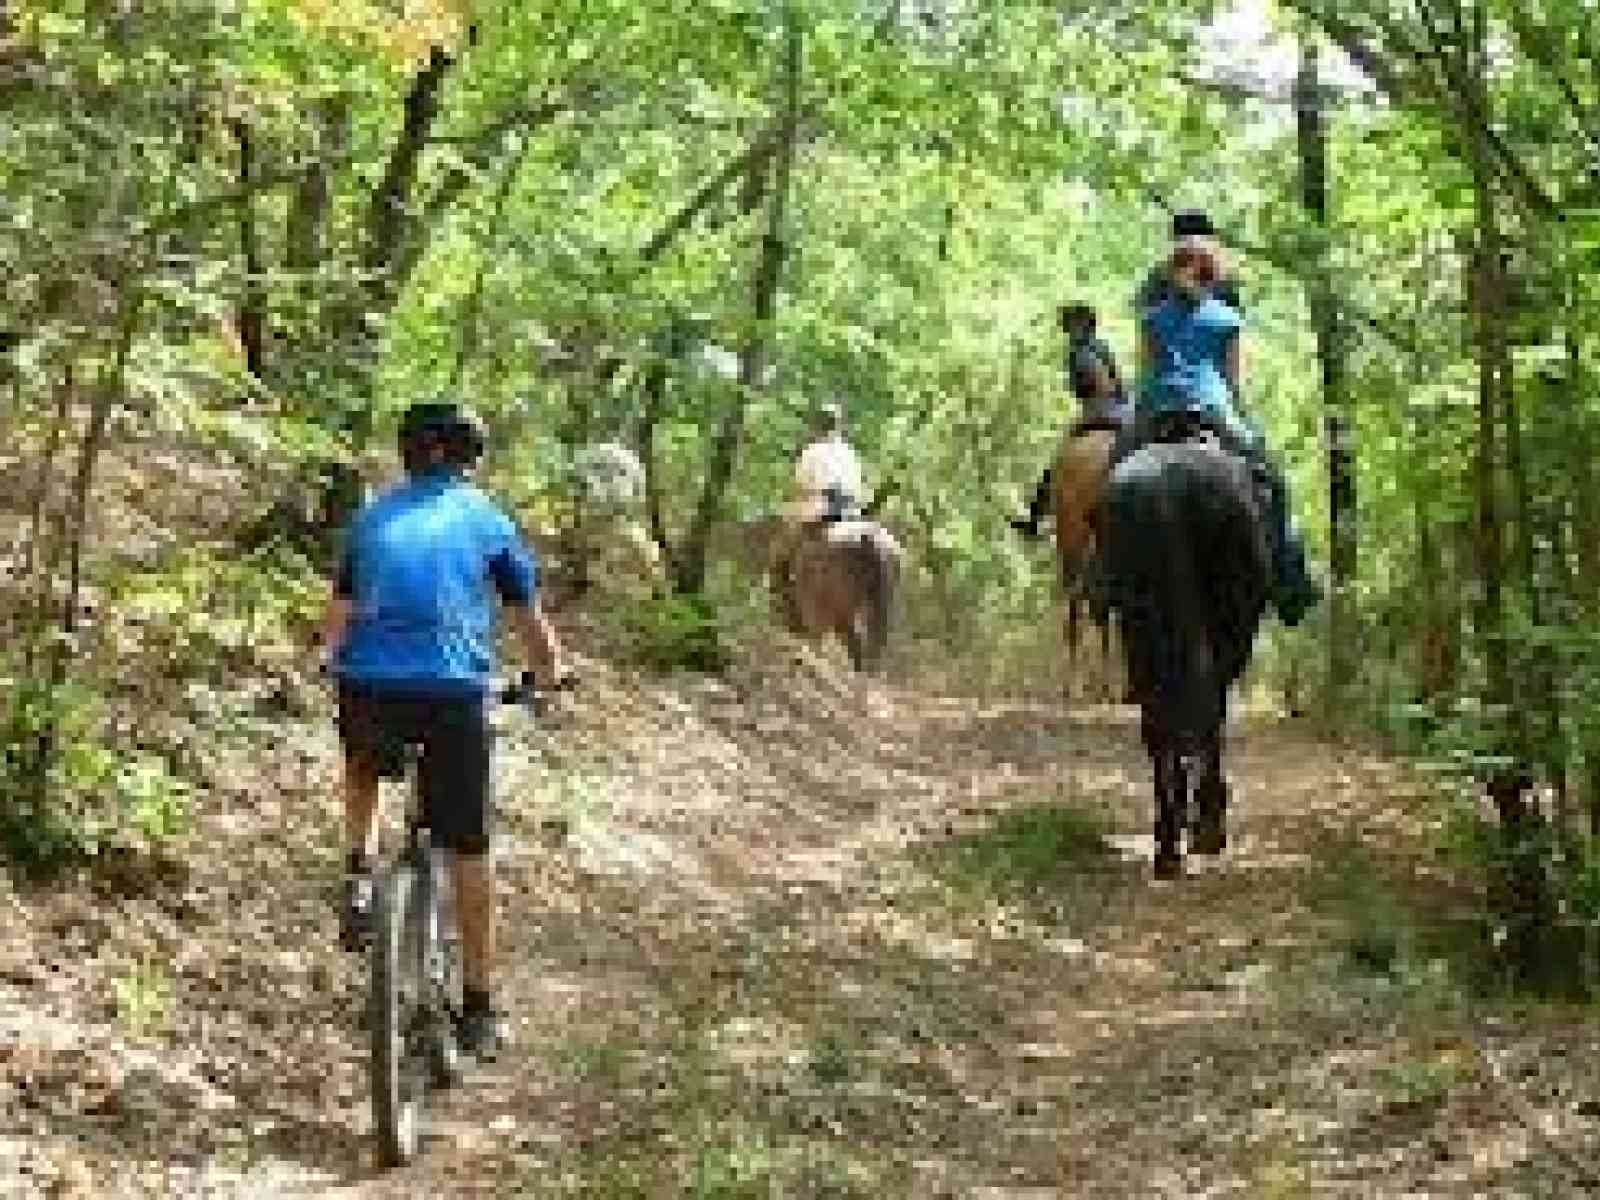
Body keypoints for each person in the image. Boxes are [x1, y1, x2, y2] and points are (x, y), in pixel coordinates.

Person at [315, 398, 571, 1060]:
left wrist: (328, 659)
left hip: (369, 687)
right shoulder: (486, 518)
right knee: (469, 848)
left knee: (364, 760)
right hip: (452, 694)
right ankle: (480, 1005)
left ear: (407, 454)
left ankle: (358, 870)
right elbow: (527, 617)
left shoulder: (372, 516)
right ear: (468, 459)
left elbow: (338, 615)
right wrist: (549, 677)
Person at [1129, 237, 1318, 626]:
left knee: (1111, 474)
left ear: (1171, 272)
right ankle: (1289, 579)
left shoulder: (1152, 319)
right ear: (1212, 275)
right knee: (1273, 483)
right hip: (1213, 410)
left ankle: (1100, 572)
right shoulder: (1227, 320)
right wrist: (1243, 418)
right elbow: (1232, 382)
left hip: (1159, 408)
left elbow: (1146, 377)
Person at [1010, 303, 1129, 539]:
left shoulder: (1081, 351)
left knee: (1056, 464)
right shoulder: (1101, 346)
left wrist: (1095, 404)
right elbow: (1117, 382)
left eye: (1072, 324)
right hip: (1124, 408)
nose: (1069, 329)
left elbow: (1103, 382)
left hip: (1099, 410)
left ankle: (1035, 519)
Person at [770, 401, 866, 600]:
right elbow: (858, 485)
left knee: (786, 546)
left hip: (821, 508)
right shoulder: (850, 452)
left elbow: (801, 484)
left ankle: (781, 592)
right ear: (838, 425)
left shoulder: (811, 451)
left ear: (819, 425)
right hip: (851, 511)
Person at [1134, 209, 1244, 324]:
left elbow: (1234, 316)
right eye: (1186, 257)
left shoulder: (1222, 277)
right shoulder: (1162, 275)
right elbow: (1144, 309)